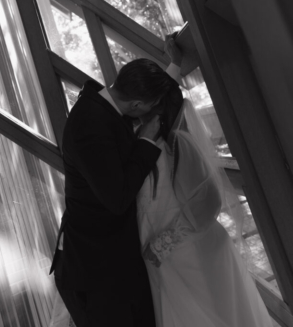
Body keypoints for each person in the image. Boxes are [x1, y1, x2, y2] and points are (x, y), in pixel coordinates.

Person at [137, 68, 273, 326]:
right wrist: (174, 65)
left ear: (157, 111)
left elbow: (207, 204)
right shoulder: (157, 144)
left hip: (189, 254)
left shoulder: (179, 144)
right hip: (171, 257)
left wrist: (161, 245)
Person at [49, 58, 178, 327]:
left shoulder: (105, 105)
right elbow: (117, 198)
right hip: (95, 273)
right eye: (151, 107)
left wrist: (175, 64)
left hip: (110, 264)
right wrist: (145, 141)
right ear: (136, 106)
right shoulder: (90, 124)